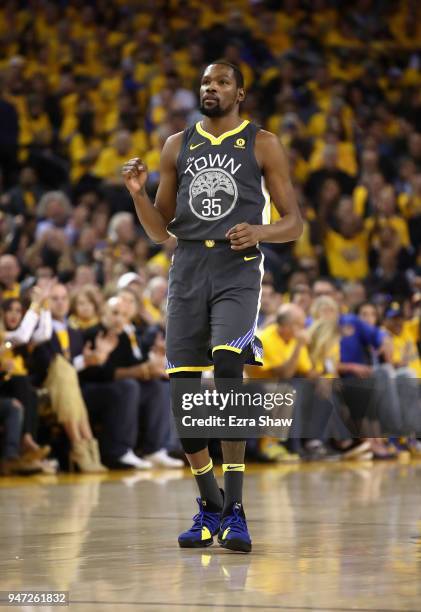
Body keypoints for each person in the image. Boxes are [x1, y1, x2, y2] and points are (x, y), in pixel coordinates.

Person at [123, 61, 302, 553]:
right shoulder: (176, 146)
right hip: (186, 272)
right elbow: (161, 230)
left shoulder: (262, 143)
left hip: (237, 269)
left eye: (221, 82)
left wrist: (261, 231)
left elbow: (295, 223)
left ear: (239, 93)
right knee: (184, 396)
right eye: (205, 82)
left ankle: (237, 511)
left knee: (227, 369)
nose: (211, 88)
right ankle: (210, 503)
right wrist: (138, 196)